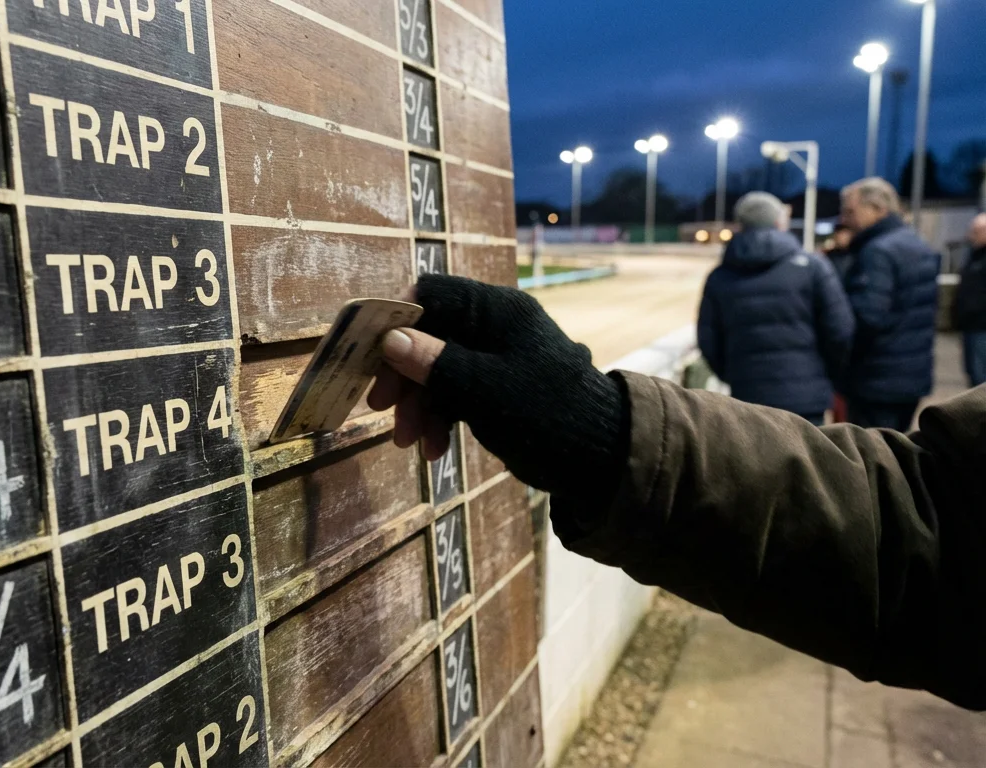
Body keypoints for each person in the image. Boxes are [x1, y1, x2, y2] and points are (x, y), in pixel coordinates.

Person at [371, 274, 986, 711]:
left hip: (758, 395)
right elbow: (935, 530)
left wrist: (603, 430)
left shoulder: (727, 274)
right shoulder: (822, 272)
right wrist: (601, 430)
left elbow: (921, 530)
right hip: (816, 396)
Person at [697, 192, 853, 424]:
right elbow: (841, 330)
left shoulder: (719, 277)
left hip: (747, 397)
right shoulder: (813, 267)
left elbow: (708, 340)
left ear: (741, 224)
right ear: (779, 222)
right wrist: (824, 374)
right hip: (806, 399)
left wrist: (735, 375)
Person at [838, 178, 941, 431]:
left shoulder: (878, 252)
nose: (845, 219)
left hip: (878, 379)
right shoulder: (916, 243)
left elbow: (868, 317)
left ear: (877, 209)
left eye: (851, 211)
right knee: (896, 451)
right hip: (910, 375)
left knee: (872, 460)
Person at [955, 213, 986, 387]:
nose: (970, 236)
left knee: (980, 379)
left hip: (981, 326)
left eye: (976, 231)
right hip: (971, 325)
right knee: (974, 374)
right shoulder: (975, 255)